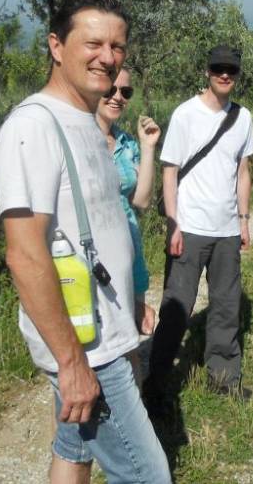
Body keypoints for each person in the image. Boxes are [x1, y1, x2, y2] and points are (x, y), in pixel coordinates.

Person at [0, 0, 170, 484]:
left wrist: (131, 298)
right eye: (93, 42)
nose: (108, 57)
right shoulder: (34, 127)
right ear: (56, 45)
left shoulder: (88, 122)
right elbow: (25, 255)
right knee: (147, 475)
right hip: (88, 346)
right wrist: (71, 363)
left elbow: (104, 223)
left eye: (117, 45)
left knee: (74, 449)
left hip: (105, 328)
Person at [144, 44, 253, 404]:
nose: (225, 75)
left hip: (226, 231)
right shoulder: (185, 115)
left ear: (237, 74)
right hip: (189, 229)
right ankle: (158, 386)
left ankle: (223, 379)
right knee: (177, 308)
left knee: (226, 306)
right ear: (207, 71)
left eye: (231, 70)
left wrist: (243, 220)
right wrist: (173, 224)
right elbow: (170, 170)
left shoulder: (244, 118)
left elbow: (242, 171)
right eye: (218, 68)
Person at [94, 67, 161, 382]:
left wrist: (147, 148)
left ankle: (135, 420)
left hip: (129, 250)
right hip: (93, 258)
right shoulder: (78, 139)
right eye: (111, 89)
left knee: (130, 344)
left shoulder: (126, 143)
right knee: (94, 347)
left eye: (126, 92)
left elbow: (143, 200)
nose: (117, 97)